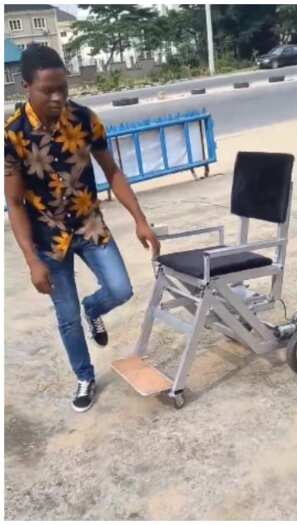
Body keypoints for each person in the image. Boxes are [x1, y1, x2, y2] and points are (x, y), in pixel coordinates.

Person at [4, 45, 160, 412]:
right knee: (66, 316)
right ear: (26, 86)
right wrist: (31, 260)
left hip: (90, 225)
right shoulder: (14, 136)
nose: (58, 97)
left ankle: (96, 308)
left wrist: (140, 220)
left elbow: (113, 171)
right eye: (48, 90)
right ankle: (84, 376)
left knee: (121, 289)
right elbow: (14, 202)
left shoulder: (85, 119)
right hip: (48, 237)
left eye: (63, 88)